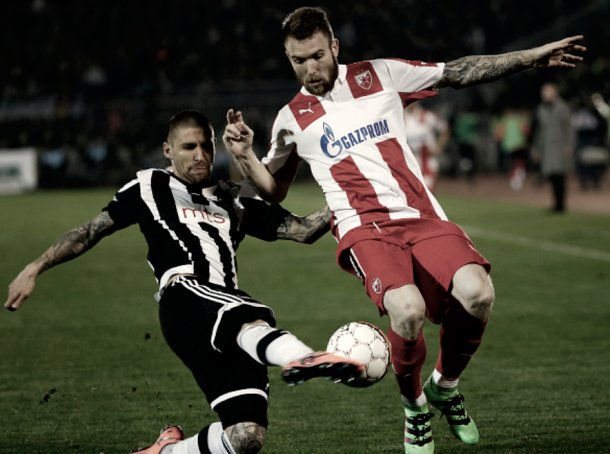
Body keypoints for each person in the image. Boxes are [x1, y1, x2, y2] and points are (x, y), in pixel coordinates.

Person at [222, 7, 585, 454]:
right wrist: (244, 156)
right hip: (363, 230)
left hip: (420, 215)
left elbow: (457, 72)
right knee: (408, 310)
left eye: (317, 55)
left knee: (478, 293)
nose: (310, 68)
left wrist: (529, 57)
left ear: (334, 46)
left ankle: (444, 387)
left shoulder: (380, 75)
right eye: (298, 60)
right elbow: (273, 189)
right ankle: (415, 409)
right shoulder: (291, 118)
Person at [5, 110, 364, 454]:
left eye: (206, 145)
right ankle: (303, 357)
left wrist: (357, 196)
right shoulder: (149, 185)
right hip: (185, 298)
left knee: (246, 436)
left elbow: (301, 231)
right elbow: (90, 231)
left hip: (224, 310)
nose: (200, 155)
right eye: (189, 147)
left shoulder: (232, 197)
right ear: (168, 150)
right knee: (247, 318)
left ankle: (168, 451)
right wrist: (35, 267)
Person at [531, 83, 576, 212]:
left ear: (555, 92)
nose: (544, 94)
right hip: (547, 147)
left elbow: (569, 129)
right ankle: (556, 203)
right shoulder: (541, 109)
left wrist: (569, 145)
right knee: (552, 176)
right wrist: (537, 148)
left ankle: (560, 205)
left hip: (560, 146)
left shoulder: (563, 108)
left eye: (547, 91)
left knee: (559, 176)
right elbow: (539, 131)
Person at [403, 101, 450, 193]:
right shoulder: (399, 117)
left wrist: (438, 148)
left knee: (427, 193)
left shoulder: (428, 116)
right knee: (410, 194)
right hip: (408, 161)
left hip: (427, 161)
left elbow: (445, 130)